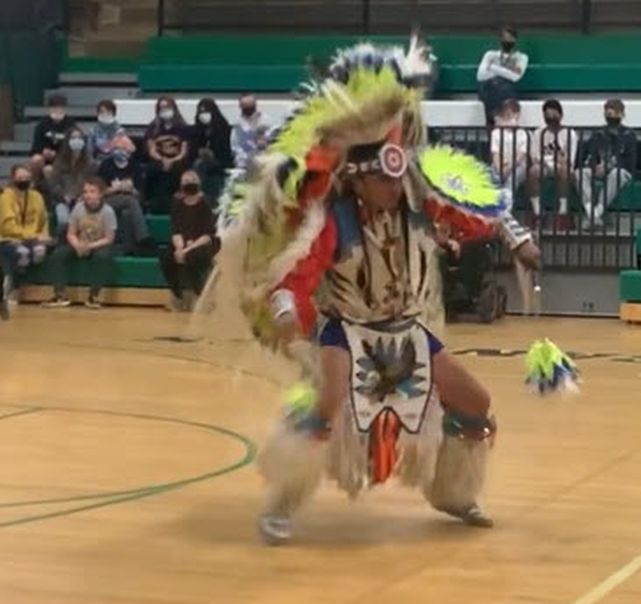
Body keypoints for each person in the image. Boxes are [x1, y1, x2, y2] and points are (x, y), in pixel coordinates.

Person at [206, 40, 541, 545]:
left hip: (408, 331)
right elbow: (298, 275)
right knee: (329, 402)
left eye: (397, 177)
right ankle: (283, 500)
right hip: (350, 331)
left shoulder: (415, 202)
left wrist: (516, 238)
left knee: (475, 403)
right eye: (384, 180)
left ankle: (453, 490)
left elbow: (473, 214)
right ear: (359, 181)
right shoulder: (334, 222)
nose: (393, 187)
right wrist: (283, 309)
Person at [44, 177, 116, 309]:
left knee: (102, 257)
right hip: (80, 243)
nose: (88, 195)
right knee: (58, 256)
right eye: (85, 191)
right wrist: (77, 245)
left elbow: (109, 238)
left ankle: (94, 296)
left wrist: (90, 246)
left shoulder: (108, 211)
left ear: (100, 194)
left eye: (92, 191)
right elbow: (71, 233)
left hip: (98, 244)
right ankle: (60, 295)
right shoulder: (78, 208)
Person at [159, 170, 218, 312]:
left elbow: (208, 235)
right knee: (166, 258)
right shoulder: (177, 204)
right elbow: (176, 231)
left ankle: (200, 297)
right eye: (185, 180)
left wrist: (186, 250)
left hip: (203, 243)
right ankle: (178, 296)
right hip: (183, 243)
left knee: (193, 258)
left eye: (192, 180)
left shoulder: (206, 204)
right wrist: (179, 248)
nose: (189, 183)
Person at [577, 99, 637, 230]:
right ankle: (592, 212)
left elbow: (630, 160)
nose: (610, 115)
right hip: (599, 170)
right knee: (580, 173)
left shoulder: (629, 135)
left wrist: (609, 166)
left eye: (614, 112)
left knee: (617, 174)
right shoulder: (598, 134)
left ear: (622, 114)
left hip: (621, 171)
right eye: (608, 112)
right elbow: (589, 155)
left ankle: (595, 214)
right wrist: (595, 166)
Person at [0, 165, 52, 306]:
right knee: (21, 253)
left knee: (39, 250)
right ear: (13, 179)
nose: (24, 180)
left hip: (32, 239)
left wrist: (44, 236)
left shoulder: (36, 196)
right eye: (20, 178)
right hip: (8, 238)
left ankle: (28, 285)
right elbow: (8, 226)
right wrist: (32, 237)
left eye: (27, 178)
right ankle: (12, 288)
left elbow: (43, 221)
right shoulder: (5, 197)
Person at [97, 136, 152, 256]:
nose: (120, 151)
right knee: (130, 201)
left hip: (131, 202)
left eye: (124, 148)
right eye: (117, 148)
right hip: (109, 200)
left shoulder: (135, 166)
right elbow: (99, 192)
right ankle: (143, 237)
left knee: (127, 213)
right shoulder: (105, 165)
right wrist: (116, 188)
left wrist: (131, 189)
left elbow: (140, 193)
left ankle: (127, 250)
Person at [530, 99, 578, 226]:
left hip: (562, 166)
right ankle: (537, 212)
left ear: (561, 115)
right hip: (544, 165)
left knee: (565, 171)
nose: (550, 119)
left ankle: (562, 212)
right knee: (533, 171)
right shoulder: (539, 132)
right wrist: (551, 159)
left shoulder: (569, 133)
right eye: (547, 116)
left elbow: (570, 160)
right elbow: (535, 156)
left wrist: (560, 161)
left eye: (553, 115)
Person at [144, 96, 190, 213]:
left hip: (177, 159)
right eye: (162, 108)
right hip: (159, 159)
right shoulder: (153, 127)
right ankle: (153, 203)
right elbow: (151, 150)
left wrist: (173, 160)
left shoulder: (182, 127)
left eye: (167, 107)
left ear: (174, 108)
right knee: (153, 169)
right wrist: (162, 159)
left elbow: (184, 151)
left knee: (178, 169)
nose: (164, 110)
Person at [477, 27, 529, 126]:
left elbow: (516, 77)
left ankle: (497, 120)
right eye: (505, 38)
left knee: (502, 86)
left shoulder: (521, 57)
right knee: (492, 84)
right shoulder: (490, 55)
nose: (507, 41)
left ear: (515, 40)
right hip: (489, 90)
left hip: (508, 91)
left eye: (510, 39)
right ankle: (497, 119)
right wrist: (508, 71)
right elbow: (480, 76)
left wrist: (493, 67)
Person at [49, 127, 96, 234]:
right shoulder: (59, 162)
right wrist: (63, 196)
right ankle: (61, 241)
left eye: (79, 137)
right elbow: (53, 185)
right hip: (62, 200)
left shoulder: (90, 163)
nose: (77, 140)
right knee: (63, 219)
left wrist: (83, 196)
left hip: (83, 200)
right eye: (74, 137)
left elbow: (93, 183)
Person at [191, 98, 232, 204]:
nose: (203, 115)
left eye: (206, 112)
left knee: (201, 165)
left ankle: (207, 199)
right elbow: (194, 147)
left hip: (220, 160)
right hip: (202, 160)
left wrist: (211, 154)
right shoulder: (198, 128)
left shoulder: (222, 126)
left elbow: (225, 150)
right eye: (201, 112)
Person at [490, 98, 530, 194]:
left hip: (518, 166)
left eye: (513, 112)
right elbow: (495, 153)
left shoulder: (523, 133)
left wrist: (508, 169)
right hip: (499, 165)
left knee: (510, 181)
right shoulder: (496, 132)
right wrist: (500, 169)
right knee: (492, 179)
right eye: (506, 111)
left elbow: (521, 155)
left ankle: (507, 207)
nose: (509, 114)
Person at [30, 93, 76, 168]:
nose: (58, 110)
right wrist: (43, 151)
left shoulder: (71, 124)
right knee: (36, 159)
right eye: (54, 107)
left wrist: (57, 154)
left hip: (64, 157)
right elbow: (36, 146)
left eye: (60, 107)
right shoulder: (42, 124)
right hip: (46, 157)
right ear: (50, 108)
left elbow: (73, 146)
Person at [230, 94, 269, 170]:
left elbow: (272, 139)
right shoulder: (238, 124)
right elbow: (235, 146)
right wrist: (246, 159)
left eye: (250, 106)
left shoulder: (265, 120)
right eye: (245, 107)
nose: (248, 109)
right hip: (244, 164)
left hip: (263, 162)